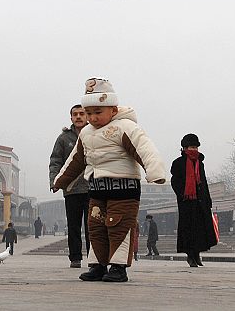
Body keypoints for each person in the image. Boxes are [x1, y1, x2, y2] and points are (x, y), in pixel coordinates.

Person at [52, 78, 166, 283]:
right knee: (95, 228)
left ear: (113, 110)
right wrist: (60, 180)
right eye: (89, 113)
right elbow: (75, 160)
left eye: (98, 112)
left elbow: (145, 149)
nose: (93, 118)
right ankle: (98, 266)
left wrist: (155, 171)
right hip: (96, 189)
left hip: (124, 190)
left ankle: (118, 267)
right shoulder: (86, 133)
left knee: (118, 227)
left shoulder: (125, 127)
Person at [49, 104, 91, 268]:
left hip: (92, 188)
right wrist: (55, 181)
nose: (79, 117)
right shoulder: (63, 138)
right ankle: (75, 258)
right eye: (75, 114)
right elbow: (55, 161)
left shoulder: (95, 133)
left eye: (82, 114)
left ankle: (94, 259)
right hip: (71, 190)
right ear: (71, 118)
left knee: (92, 226)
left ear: (87, 116)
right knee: (73, 226)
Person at [170, 133, 217, 267]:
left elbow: (204, 182)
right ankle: (190, 255)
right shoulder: (178, 163)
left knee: (200, 230)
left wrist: (207, 200)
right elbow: (175, 182)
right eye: (192, 147)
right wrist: (182, 194)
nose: (194, 150)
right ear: (185, 148)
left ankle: (197, 254)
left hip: (200, 202)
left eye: (196, 147)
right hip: (186, 203)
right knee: (188, 230)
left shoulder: (199, 163)